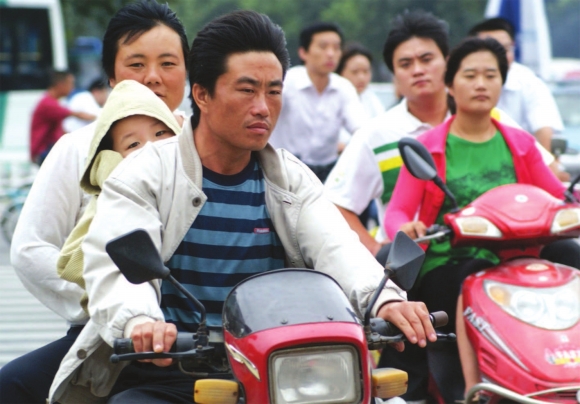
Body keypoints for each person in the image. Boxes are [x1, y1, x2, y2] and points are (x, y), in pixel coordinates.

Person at [48, 10, 436, 403]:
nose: (263, 107)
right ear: (202, 94)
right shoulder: (145, 173)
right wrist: (141, 321)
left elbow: (337, 247)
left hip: (285, 373)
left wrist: (384, 299)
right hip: (173, 372)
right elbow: (115, 266)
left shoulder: (291, 180)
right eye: (247, 90)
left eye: (273, 91)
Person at [1, 1, 189, 403]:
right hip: (102, 337)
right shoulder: (77, 149)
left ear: (187, 71)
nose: (153, 77)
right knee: (12, 385)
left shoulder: (205, 146)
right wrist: (105, 302)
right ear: (111, 76)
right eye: (136, 64)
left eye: (168, 63)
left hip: (196, 338)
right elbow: (30, 248)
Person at [383, 37, 580, 402]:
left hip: (520, 257)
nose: (481, 84)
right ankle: (467, 388)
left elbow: (558, 197)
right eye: (470, 75)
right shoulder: (429, 147)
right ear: (450, 84)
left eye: (491, 75)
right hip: (451, 258)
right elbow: (396, 211)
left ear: (502, 83)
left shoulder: (520, 143)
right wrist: (404, 228)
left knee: (571, 254)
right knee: (470, 274)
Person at [57, 79, 180, 314]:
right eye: (133, 144)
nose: (151, 147)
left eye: (160, 132)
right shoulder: (112, 196)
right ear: (112, 156)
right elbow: (71, 263)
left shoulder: (200, 181)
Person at [268, 22, 366, 182]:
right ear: (303, 52)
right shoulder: (287, 82)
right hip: (284, 168)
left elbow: (361, 130)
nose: (331, 54)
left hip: (328, 171)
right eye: (323, 47)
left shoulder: (344, 87)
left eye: (336, 48)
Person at [468, 18, 564, 155]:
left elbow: (544, 129)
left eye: (506, 49)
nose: (500, 57)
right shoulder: (458, 82)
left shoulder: (529, 82)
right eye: (492, 50)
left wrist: (547, 162)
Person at [29, 69, 96, 165]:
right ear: (60, 85)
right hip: (44, 152)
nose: (72, 88)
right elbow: (76, 114)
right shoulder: (48, 104)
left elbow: (61, 131)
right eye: (70, 83)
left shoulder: (51, 101)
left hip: (46, 151)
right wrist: (97, 117)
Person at [336, 42, 384, 150]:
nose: (361, 77)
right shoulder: (332, 97)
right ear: (340, 72)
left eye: (366, 71)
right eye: (355, 72)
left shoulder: (371, 99)